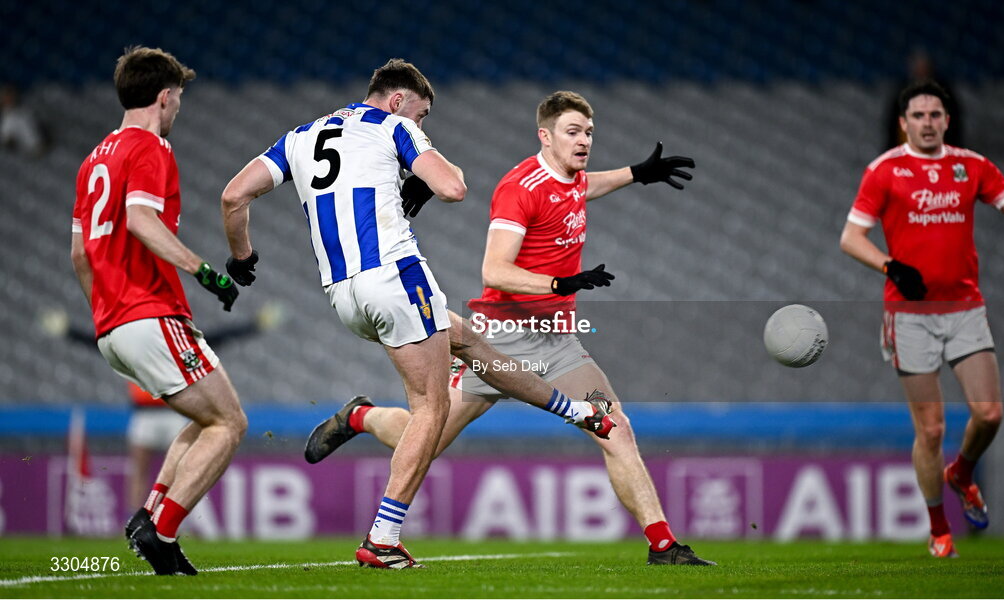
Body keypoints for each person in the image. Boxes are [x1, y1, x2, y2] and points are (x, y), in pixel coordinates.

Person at [309, 91, 715, 566]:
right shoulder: (520, 187)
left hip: (558, 341)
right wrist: (559, 281)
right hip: (498, 339)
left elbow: (584, 187)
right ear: (544, 135)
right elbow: (495, 271)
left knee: (614, 427)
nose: (584, 140)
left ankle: (664, 546)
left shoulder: (572, 180)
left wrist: (636, 174)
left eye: (588, 132)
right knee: (421, 436)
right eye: (572, 131)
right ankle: (360, 416)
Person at [220, 58, 475, 569]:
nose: (420, 127)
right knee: (433, 414)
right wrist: (422, 169)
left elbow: (233, 194)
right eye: (422, 116)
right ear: (399, 100)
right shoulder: (393, 125)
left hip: (341, 292)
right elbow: (453, 186)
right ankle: (382, 537)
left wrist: (242, 256)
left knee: (458, 375)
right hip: (392, 276)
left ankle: (360, 416)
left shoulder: (301, 135)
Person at [70, 46, 246, 575]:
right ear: (164, 97)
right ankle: (161, 529)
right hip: (148, 310)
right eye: (178, 102)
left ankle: (148, 516)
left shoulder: (92, 159)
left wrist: (106, 313)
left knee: (205, 417)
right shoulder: (150, 146)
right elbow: (143, 222)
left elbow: (80, 254)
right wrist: (205, 271)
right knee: (230, 424)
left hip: (113, 323)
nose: (177, 112)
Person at [840, 80, 1004, 558]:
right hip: (910, 315)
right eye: (918, 116)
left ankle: (961, 472)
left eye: (935, 115)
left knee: (989, 414)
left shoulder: (971, 165)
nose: (927, 123)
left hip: (965, 309)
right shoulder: (884, 171)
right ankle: (939, 529)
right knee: (932, 428)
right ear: (903, 123)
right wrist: (890, 265)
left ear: (947, 120)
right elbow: (851, 238)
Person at [40, 303, 283, 512]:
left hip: (173, 414)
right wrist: (68, 331)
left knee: (181, 471)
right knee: (146, 472)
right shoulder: (135, 342)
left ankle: (172, 521)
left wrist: (255, 325)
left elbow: (222, 335)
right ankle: (136, 519)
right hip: (150, 415)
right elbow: (96, 343)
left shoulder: (174, 339)